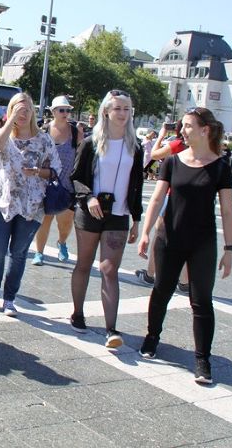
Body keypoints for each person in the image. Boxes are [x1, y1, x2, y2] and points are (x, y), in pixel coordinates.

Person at [138, 107, 232, 384]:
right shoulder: (172, 160)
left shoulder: (220, 166)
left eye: (188, 126)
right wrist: (146, 232)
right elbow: (157, 199)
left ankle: (203, 359)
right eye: (182, 126)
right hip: (169, 239)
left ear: (205, 130)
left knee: (202, 301)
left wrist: (229, 249)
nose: (182, 131)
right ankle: (152, 337)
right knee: (161, 291)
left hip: (202, 242)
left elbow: (227, 210)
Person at [69, 90, 144, 348]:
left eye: (127, 109)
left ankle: (112, 329)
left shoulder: (135, 146)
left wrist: (137, 218)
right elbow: (76, 176)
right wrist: (88, 197)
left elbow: (137, 184)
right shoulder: (91, 142)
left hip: (119, 215)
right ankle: (77, 313)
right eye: (118, 109)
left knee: (109, 270)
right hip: (91, 212)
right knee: (84, 264)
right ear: (106, 111)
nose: (123, 114)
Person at [0, 93, 60, 316]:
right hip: (2, 199)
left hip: (31, 204)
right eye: (18, 109)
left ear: (33, 113)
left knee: (18, 252)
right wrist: (9, 121)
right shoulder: (4, 135)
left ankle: (9, 298)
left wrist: (37, 172)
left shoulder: (43, 139)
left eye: (27, 109)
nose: (22, 114)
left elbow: (55, 170)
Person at [135, 121, 190, 291]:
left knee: (160, 235)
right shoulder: (206, 148)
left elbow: (155, 154)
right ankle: (185, 281)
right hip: (192, 199)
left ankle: (150, 274)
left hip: (172, 194)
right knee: (188, 240)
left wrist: (162, 134)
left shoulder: (177, 144)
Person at [33, 96, 82, 265]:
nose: (65, 113)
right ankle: (39, 252)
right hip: (46, 182)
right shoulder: (44, 130)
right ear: (53, 111)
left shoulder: (76, 131)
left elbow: (81, 157)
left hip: (67, 184)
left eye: (68, 110)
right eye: (62, 110)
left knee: (65, 221)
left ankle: (62, 242)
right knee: (44, 219)